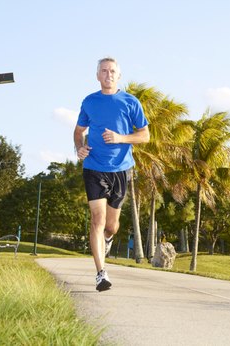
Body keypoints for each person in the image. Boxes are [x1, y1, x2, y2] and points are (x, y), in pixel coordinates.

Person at [74, 57, 150, 291]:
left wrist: (120, 138)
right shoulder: (89, 102)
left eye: (112, 71)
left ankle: (107, 239)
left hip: (120, 170)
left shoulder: (130, 101)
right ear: (97, 76)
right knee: (97, 220)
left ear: (119, 76)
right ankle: (101, 273)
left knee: (111, 226)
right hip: (93, 167)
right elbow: (78, 131)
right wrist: (79, 148)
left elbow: (145, 135)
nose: (108, 74)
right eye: (104, 71)